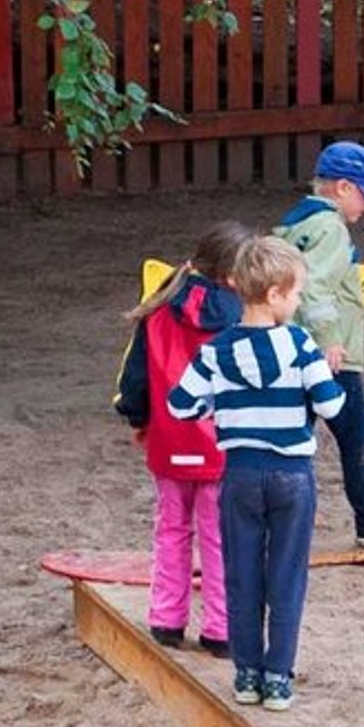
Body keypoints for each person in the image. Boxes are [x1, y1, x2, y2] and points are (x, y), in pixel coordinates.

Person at [168, 235, 345, 710]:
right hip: (292, 475)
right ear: (274, 294)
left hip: (240, 476)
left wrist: (218, 405)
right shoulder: (300, 344)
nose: (299, 300)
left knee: (241, 574)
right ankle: (279, 678)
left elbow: (179, 405)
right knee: (286, 576)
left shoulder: (216, 351)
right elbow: (331, 404)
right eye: (297, 293)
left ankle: (246, 675)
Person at [271, 141, 364, 547]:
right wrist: (331, 341)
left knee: (290, 438)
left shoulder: (294, 223)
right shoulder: (331, 229)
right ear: (341, 187)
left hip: (290, 347)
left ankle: (276, 528)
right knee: (357, 433)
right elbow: (315, 287)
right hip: (333, 357)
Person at [113, 221, 252, 656]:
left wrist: (139, 419)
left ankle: (166, 620)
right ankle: (221, 629)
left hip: (169, 440)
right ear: (233, 277)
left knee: (171, 529)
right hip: (222, 445)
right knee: (219, 537)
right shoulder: (243, 319)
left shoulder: (159, 308)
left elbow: (135, 377)